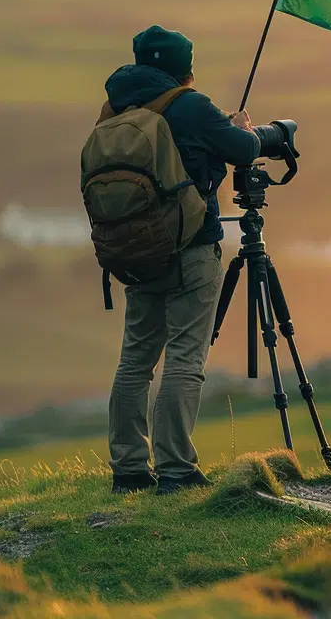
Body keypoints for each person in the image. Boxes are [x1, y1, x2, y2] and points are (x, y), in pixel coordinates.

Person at [102, 25, 259, 495]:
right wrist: (243, 130)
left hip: (137, 251)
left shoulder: (116, 107)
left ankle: (129, 469)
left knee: (135, 362)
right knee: (185, 359)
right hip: (191, 247)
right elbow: (245, 150)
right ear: (184, 69)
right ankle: (176, 469)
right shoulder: (190, 105)